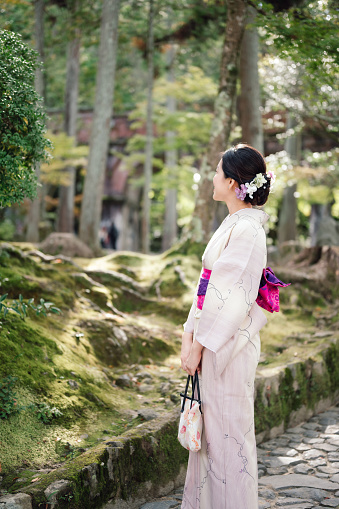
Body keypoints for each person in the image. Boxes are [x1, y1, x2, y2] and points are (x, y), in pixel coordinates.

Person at [181, 144, 275, 509]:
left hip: (228, 348)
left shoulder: (249, 231)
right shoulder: (233, 224)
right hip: (212, 341)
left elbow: (230, 297)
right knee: (212, 442)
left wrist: (199, 345)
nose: (212, 178)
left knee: (230, 440)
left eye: (218, 172)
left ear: (234, 183)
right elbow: (207, 286)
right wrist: (189, 334)